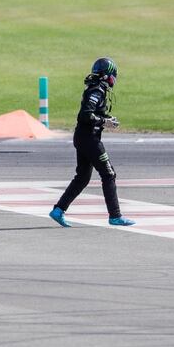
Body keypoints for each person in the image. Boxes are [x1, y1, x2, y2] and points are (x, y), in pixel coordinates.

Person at [49, 58, 135, 228]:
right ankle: (115, 216)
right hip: (89, 139)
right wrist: (104, 122)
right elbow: (85, 115)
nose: (114, 80)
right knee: (109, 174)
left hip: (83, 138)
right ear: (106, 76)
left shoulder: (97, 89)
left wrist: (107, 119)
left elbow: (93, 114)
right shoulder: (96, 91)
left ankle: (58, 210)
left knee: (82, 178)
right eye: (113, 76)